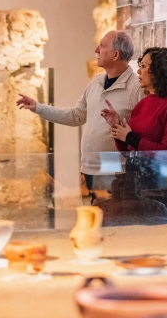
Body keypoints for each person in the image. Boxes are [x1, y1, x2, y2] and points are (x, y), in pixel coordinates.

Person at [16, 30, 144, 196]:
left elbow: (142, 131)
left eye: (102, 46)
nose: (96, 50)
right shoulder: (96, 83)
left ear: (115, 54)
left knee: (114, 218)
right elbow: (76, 116)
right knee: (95, 217)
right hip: (90, 167)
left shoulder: (136, 87)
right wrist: (38, 108)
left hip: (117, 171)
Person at [102, 47, 167, 152]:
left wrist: (130, 137)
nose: (139, 71)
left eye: (143, 66)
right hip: (135, 168)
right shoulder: (143, 103)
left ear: (159, 70)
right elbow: (128, 151)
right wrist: (118, 127)